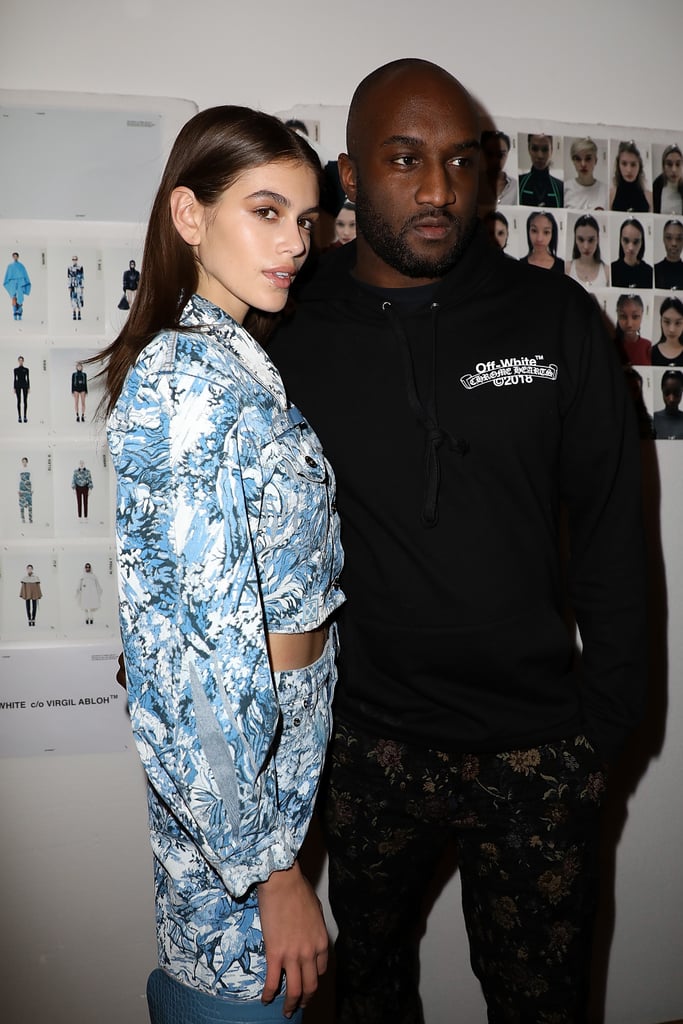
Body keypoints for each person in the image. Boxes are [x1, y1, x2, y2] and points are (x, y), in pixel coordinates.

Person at [269, 58, 647, 1024]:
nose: (438, 189)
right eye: (404, 159)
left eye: (459, 161)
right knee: (368, 996)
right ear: (349, 176)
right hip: (365, 744)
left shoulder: (554, 317)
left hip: (535, 747)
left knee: (542, 1006)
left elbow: (613, 531)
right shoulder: (290, 332)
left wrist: (603, 732)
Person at [96, 105, 344, 1024]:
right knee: (240, 1003)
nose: (294, 244)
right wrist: (269, 870)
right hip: (239, 830)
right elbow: (189, 664)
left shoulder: (234, 364)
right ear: (189, 215)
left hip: (271, 776)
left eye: (305, 220)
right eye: (266, 212)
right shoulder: (183, 383)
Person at [566, 214, 610, 289]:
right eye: (581, 239)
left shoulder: (607, 271)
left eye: (591, 240)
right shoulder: (567, 268)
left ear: (598, 239)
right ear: (575, 239)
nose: (586, 246)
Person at [518, 133, 563, 207]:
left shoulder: (560, 188)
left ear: (551, 151)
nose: (540, 155)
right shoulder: (519, 183)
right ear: (529, 149)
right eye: (535, 149)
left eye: (545, 149)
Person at [609, 140, 652, 212]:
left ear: (639, 167)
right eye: (624, 164)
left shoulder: (650, 197)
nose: (629, 170)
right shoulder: (610, 195)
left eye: (633, 164)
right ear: (618, 165)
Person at [565, 138, 607, 210]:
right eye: (578, 159)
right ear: (573, 161)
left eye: (588, 159)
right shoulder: (565, 188)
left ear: (595, 160)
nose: (583, 164)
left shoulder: (605, 191)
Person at [611, 217, 653, 288]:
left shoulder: (649, 272)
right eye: (626, 241)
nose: (631, 247)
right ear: (620, 240)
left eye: (636, 242)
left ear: (642, 243)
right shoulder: (612, 270)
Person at [480, 129, 517, 206]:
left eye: (501, 155)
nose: (495, 160)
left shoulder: (515, 186)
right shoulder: (473, 185)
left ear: (507, 154)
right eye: (489, 154)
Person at [614, 293, 651, 366]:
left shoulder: (648, 347)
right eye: (623, 316)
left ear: (642, 315)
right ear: (618, 315)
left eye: (635, 316)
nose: (629, 324)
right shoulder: (609, 346)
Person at [651, 296, 683, 365]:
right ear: (661, 322)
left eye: (677, 323)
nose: (672, 329)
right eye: (667, 322)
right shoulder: (651, 353)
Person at [653, 144, 683, 215]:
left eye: (678, 164)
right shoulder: (656, 186)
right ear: (663, 166)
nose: (674, 170)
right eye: (669, 164)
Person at [653, 369, 683, 438]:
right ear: (662, 390)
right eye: (667, 392)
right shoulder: (653, 420)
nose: (671, 399)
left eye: (676, 392)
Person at [654, 218, 683, 289]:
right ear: (663, 239)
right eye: (669, 238)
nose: (674, 243)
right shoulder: (654, 271)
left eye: (679, 238)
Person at [3, 252, 31, 320]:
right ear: (13, 257)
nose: (15, 257)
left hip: (20, 282)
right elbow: (7, 276)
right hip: (12, 283)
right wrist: (9, 283)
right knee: (13, 297)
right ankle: (15, 313)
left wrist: (25, 282)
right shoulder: (10, 266)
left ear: (18, 257)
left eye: (16, 256)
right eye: (14, 256)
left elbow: (25, 275)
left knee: (20, 297)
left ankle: (20, 312)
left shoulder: (21, 266)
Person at [13, 355, 30, 423]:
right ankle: (19, 416)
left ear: (23, 361)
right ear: (18, 361)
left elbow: (28, 379)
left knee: (25, 401)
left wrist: (29, 387)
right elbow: (14, 379)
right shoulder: (15, 370)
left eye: (21, 360)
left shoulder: (26, 369)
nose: (20, 361)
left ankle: (25, 416)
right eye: (19, 360)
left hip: (25, 385)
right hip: (18, 385)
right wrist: (14, 387)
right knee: (19, 401)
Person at [18, 457, 33, 524]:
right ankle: (23, 519)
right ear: (22, 462)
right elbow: (17, 479)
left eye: (25, 461)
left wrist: (33, 489)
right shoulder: (20, 469)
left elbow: (33, 479)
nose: (24, 463)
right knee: (21, 503)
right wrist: (18, 489)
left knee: (30, 504)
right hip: (21, 488)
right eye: (23, 461)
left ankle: (30, 519)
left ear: (27, 462)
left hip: (28, 488)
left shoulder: (30, 469)